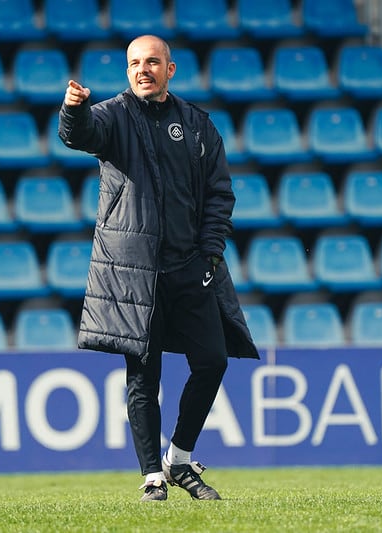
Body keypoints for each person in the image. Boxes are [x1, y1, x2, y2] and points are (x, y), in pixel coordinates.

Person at [58, 35, 259, 501]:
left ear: (171, 69)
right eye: (133, 63)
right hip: (134, 273)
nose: (142, 69)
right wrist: (73, 110)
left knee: (212, 361)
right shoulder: (111, 116)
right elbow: (80, 135)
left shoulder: (197, 125)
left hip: (191, 267)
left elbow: (220, 194)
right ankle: (152, 478)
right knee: (143, 376)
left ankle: (180, 459)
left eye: (152, 62)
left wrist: (210, 254)